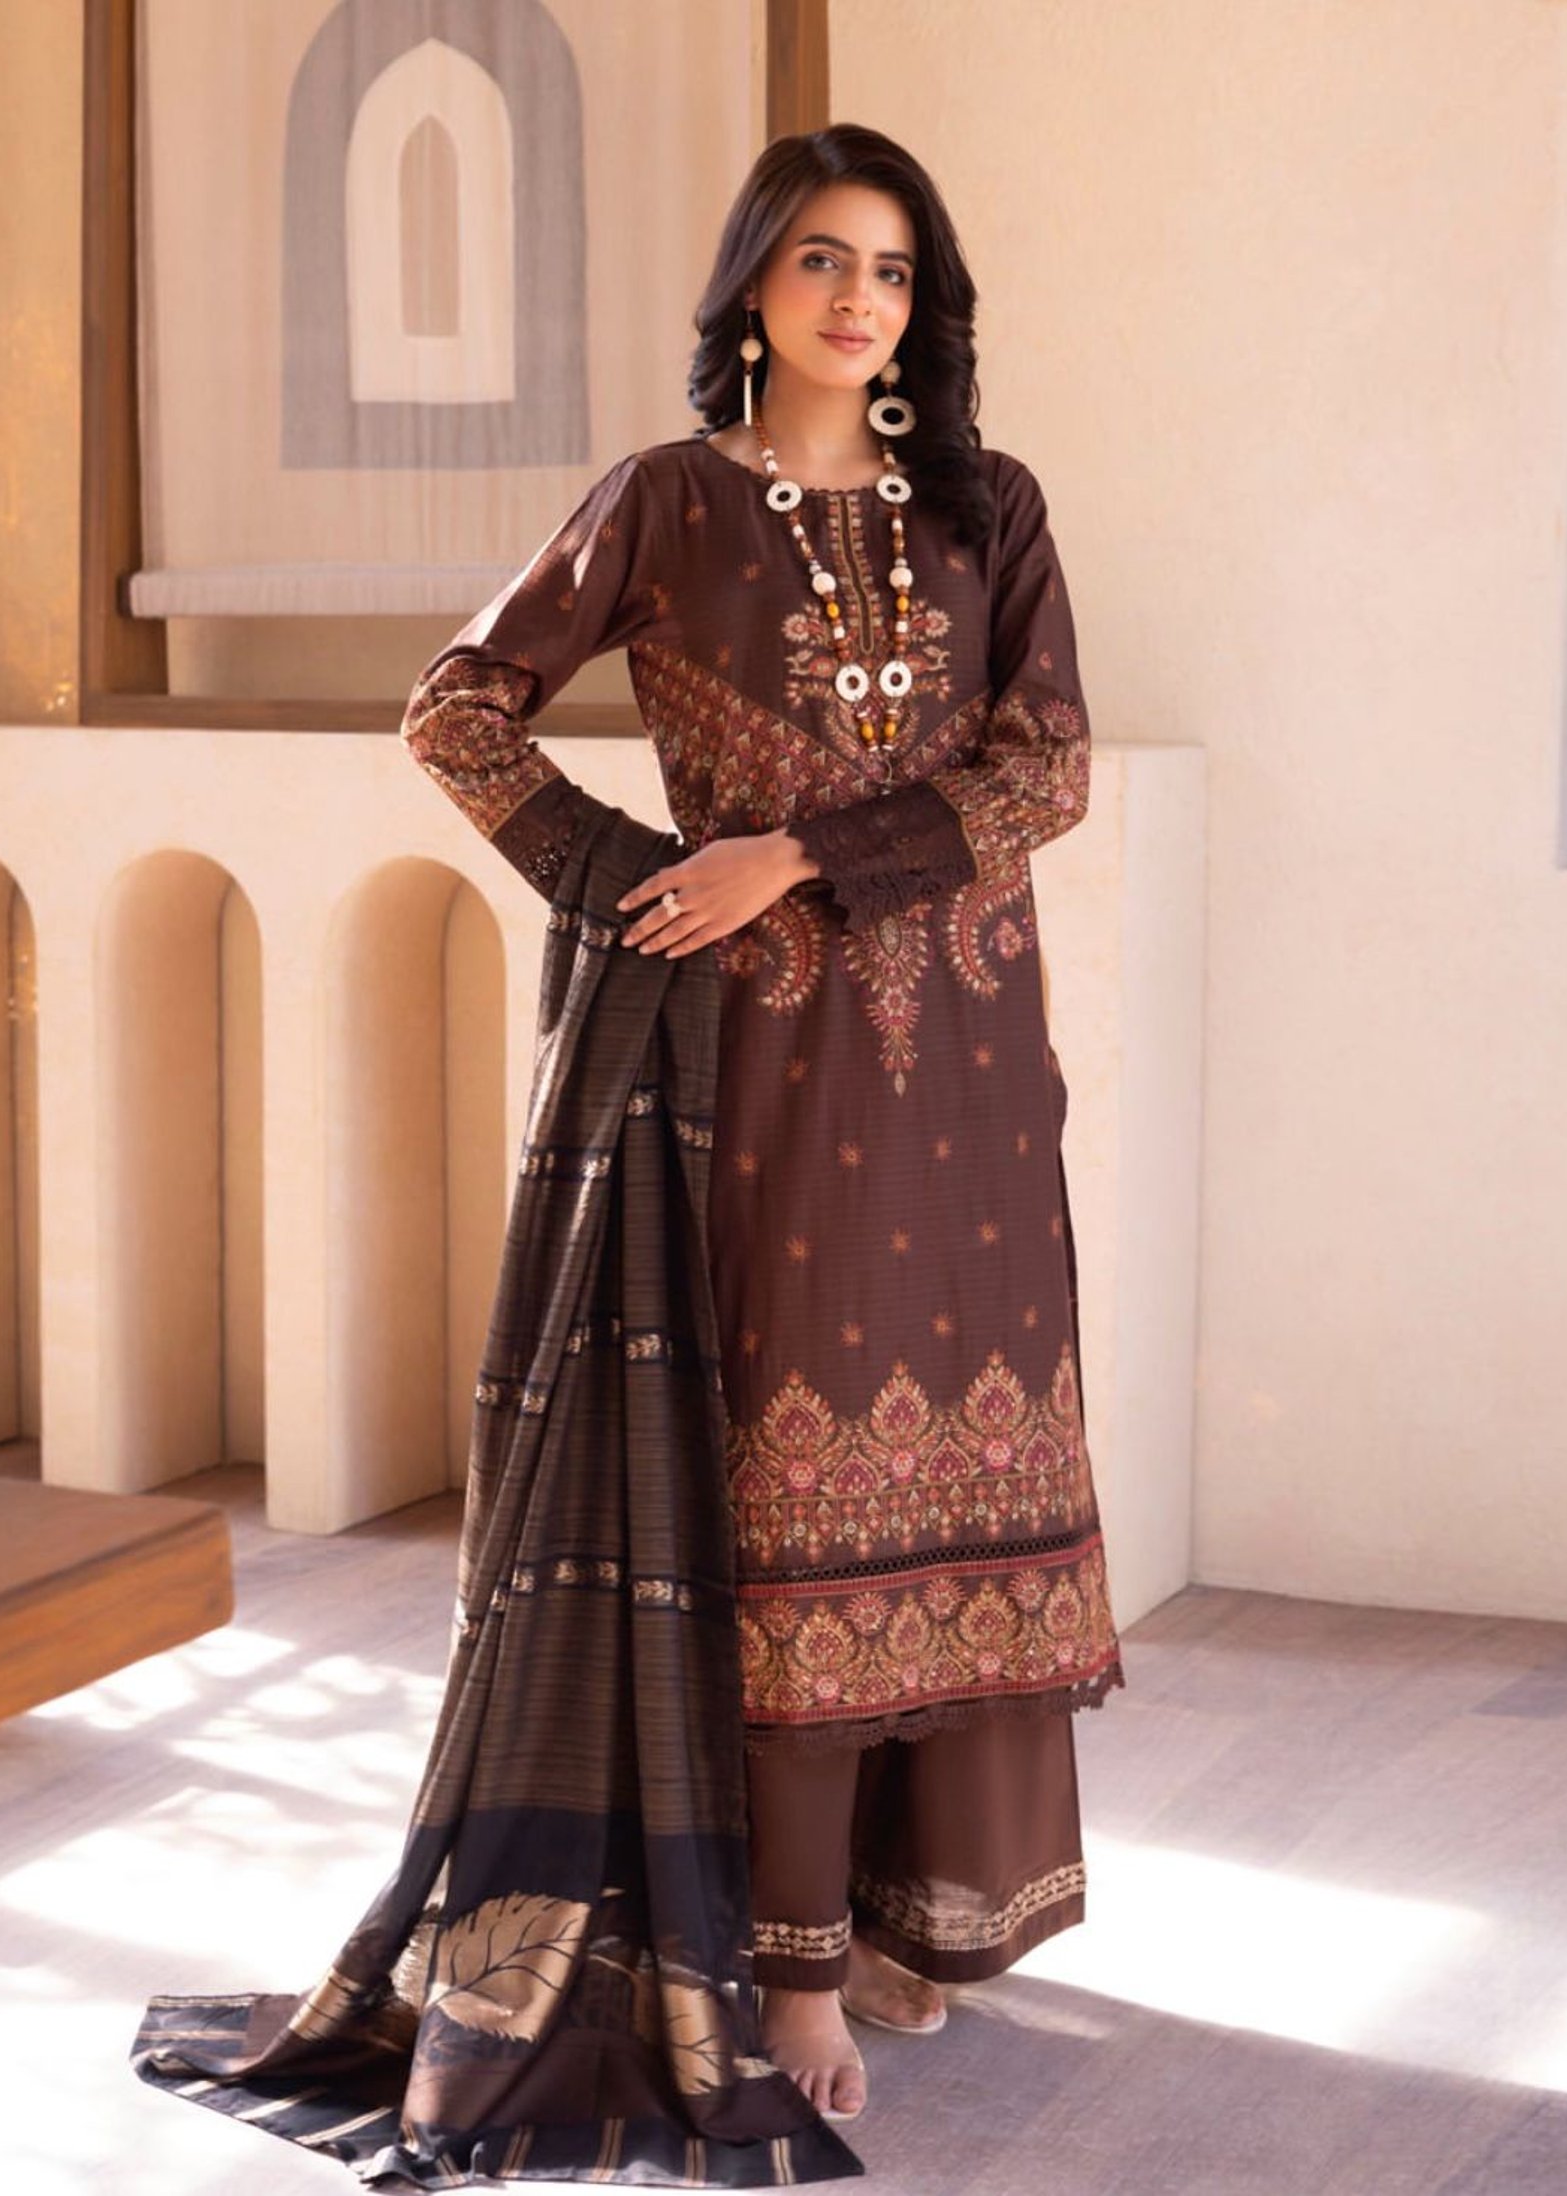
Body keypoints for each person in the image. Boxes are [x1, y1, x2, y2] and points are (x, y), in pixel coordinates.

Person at [401, 122, 1126, 2127]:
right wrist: (645, 883)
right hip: (759, 1081)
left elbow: (1047, 768)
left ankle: (916, 1917)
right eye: (820, 259)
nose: (856, 299)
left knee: (963, 1487)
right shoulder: (665, 502)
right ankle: (786, 1970)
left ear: (923, 305)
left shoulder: (993, 505)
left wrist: (786, 852)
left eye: (891, 269)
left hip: (972, 1079)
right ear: (748, 284)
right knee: (803, 1498)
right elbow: (457, 709)